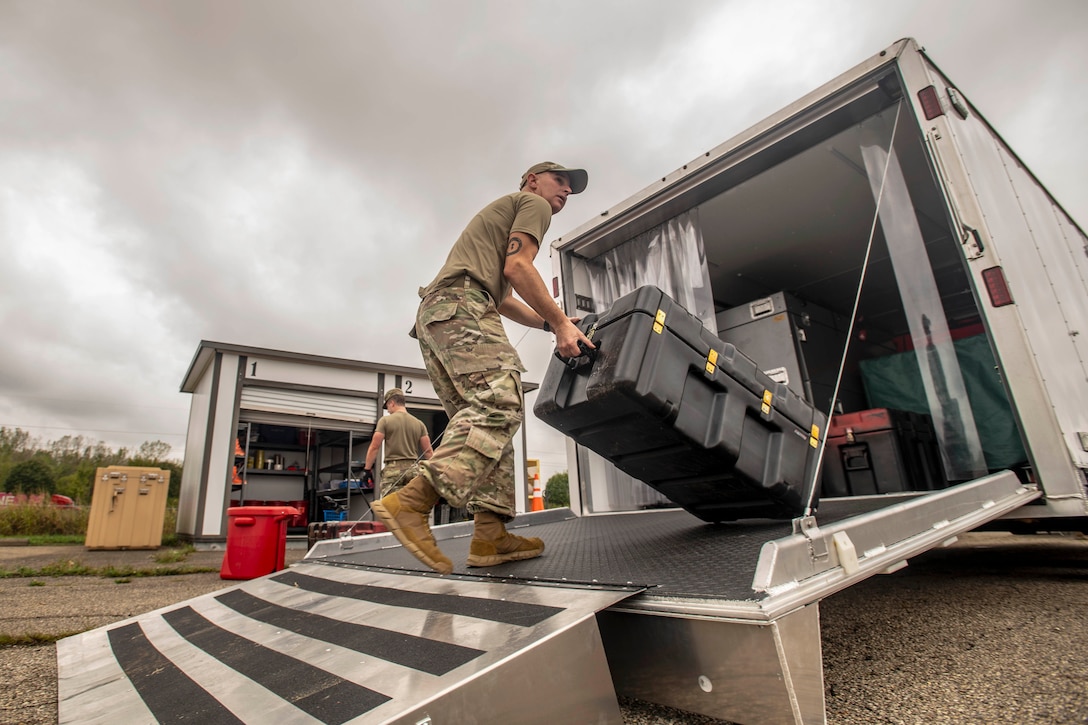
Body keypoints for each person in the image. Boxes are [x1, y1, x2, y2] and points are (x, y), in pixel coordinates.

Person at [371, 161, 595, 574]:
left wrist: (550, 321)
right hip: (462, 306)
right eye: (559, 181)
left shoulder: (500, 222)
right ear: (532, 180)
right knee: (500, 398)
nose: (565, 191)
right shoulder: (533, 203)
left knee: (487, 424)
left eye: (570, 187)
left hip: (439, 313)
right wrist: (563, 323)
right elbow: (519, 267)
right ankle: (412, 501)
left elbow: (505, 296)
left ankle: (491, 535)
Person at [364, 388, 433, 497]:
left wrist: (367, 470)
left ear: (392, 403)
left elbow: (374, 447)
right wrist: (435, 472)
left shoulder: (385, 421)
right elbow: (428, 451)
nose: (388, 410)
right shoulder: (419, 423)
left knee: (391, 508)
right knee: (411, 506)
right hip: (412, 470)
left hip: (392, 471)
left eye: (387, 407)